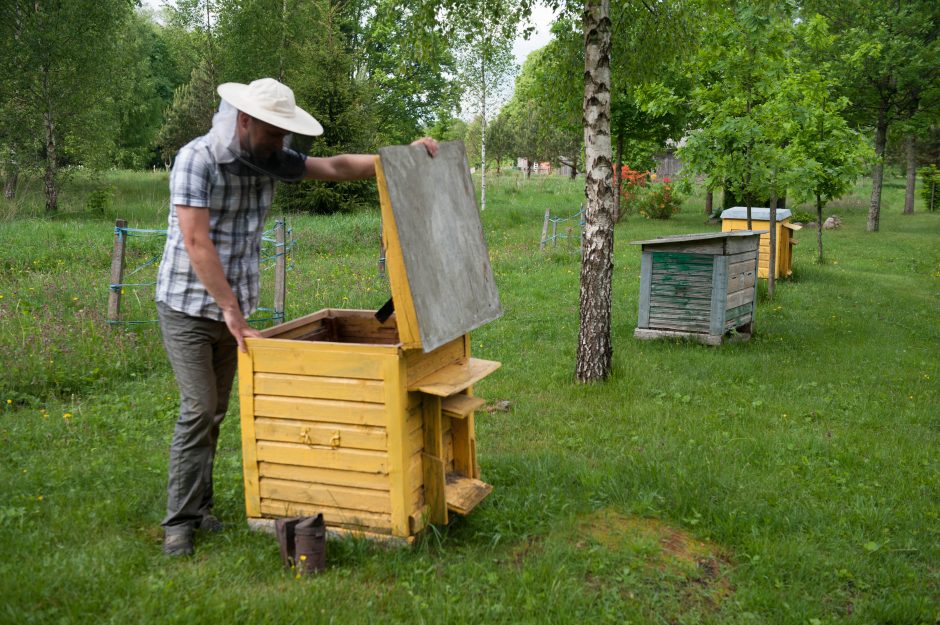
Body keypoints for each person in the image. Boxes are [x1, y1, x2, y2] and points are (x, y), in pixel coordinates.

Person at [155, 77, 437, 556]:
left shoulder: (269, 158)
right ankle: (178, 524)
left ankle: (200, 509)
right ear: (244, 121)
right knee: (200, 408)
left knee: (215, 410)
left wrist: (398, 159)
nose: (281, 143)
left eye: (285, 134)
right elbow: (196, 243)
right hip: (188, 305)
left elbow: (333, 165)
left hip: (233, 310)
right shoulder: (197, 159)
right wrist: (231, 311)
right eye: (273, 132)